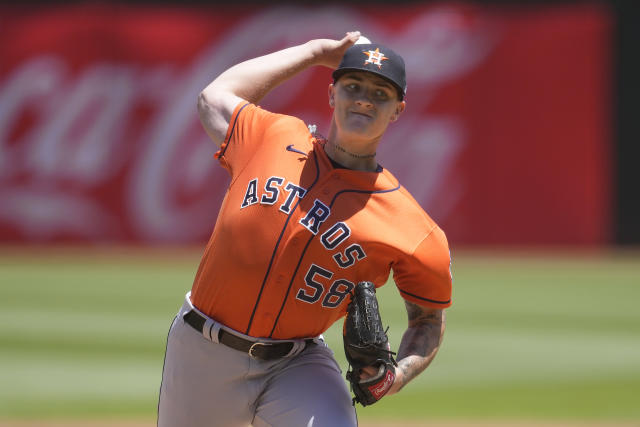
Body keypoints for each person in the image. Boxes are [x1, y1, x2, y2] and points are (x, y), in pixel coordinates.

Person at [157, 31, 452, 427]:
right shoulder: (272, 137)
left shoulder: (412, 226)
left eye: (380, 94)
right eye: (352, 86)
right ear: (332, 95)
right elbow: (213, 97)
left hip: (297, 364)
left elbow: (428, 321)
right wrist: (315, 53)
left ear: (398, 110)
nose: (364, 98)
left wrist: (395, 377)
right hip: (202, 351)